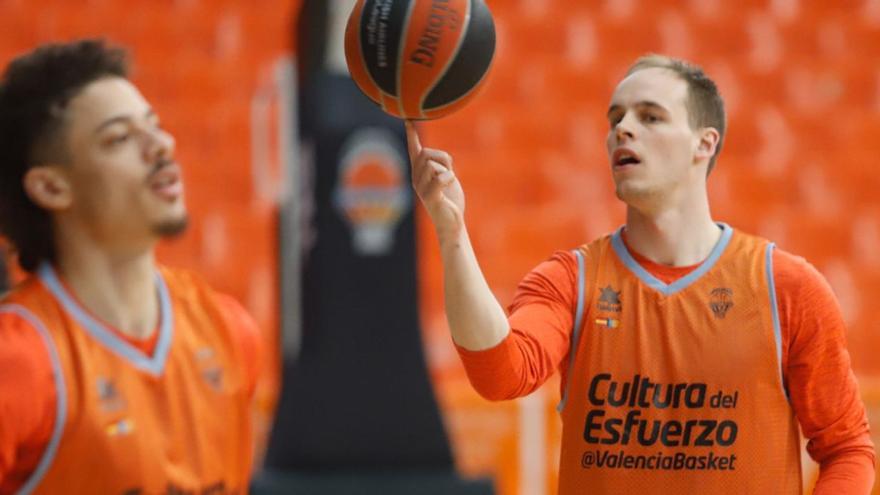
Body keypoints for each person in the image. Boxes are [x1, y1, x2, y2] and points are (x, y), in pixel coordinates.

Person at [407, 55, 875, 493]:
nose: (622, 129)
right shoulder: (572, 280)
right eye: (615, 119)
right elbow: (500, 375)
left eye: (650, 117)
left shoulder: (787, 288)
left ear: (704, 143)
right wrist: (452, 233)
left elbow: (847, 450)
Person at [0, 39, 261, 494]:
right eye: (119, 138)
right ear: (51, 187)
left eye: (154, 126)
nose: (161, 145)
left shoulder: (230, 333)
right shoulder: (21, 363)